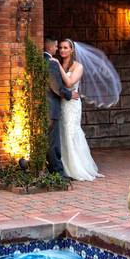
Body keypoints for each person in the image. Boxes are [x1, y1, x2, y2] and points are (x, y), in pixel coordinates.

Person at [56, 39, 103, 181]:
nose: (62, 50)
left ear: (72, 50)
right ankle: (63, 166)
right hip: (61, 103)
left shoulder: (78, 66)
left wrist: (57, 65)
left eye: (65, 48)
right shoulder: (57, 63)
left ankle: (76, 167)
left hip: (72, 105)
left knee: (71, 132)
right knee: (61, 133)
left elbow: (69, 82)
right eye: (60, 48)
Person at [43, 35, 78, 179]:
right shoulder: (51, 62)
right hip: (52, 108)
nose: (58, 49)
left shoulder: (42, 60)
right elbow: (56, 87)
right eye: (57, 46)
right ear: (49, 46)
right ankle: (57, 173)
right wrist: (70, 95)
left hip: (45, 108)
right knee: (53, 143)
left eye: (63, 47)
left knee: (50, 141)